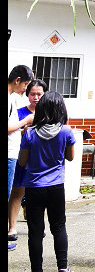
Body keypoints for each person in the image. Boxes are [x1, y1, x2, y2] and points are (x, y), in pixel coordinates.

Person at [16, 89, 77, 272]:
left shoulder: (30, 133)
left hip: (34, 187)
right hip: (56, 187)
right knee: (58, 227)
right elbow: (70, 157)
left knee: (35, 230)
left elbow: (22, 162)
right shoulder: (67, 131)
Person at [8, 77, 48, 248]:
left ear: (45, 95)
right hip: (22, 158)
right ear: (28, 95)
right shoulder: (19, 112)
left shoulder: (48, 113)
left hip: (41, 161)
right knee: (17, 192)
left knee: (39, 195)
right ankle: (12, 227)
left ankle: (37, 226)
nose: (36, 97)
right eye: (32, 94)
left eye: (39, 94)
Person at [8, 63, 35, 242]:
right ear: (18, 80)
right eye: (25, 85)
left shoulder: (12, 98)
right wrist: (25, 121)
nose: (25, 89)